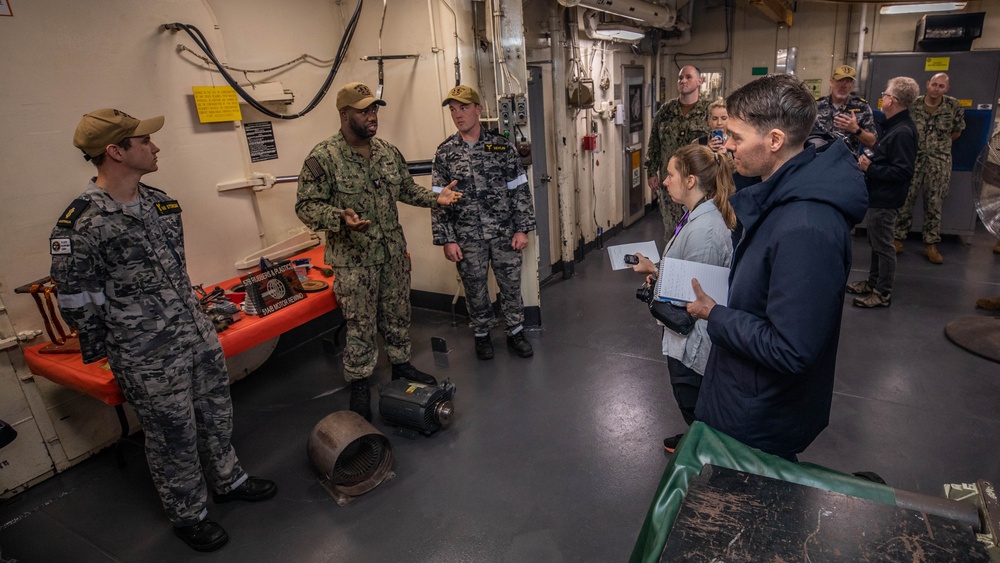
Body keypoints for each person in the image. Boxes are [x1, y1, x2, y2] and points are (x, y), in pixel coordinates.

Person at [50, 108, 276, 552]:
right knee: (173, 435)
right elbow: (78, 305)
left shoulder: (161, 203)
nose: (155, 147)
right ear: (115, 151)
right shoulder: (80, 225)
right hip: (146, 354)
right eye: (144, 142)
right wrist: (126, 342)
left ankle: (229, 480)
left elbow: (173, 270)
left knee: (215, 414)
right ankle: (189, 513)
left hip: (195, 333)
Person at [685, 75, 868, 461]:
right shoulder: (782, 195)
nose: (726, 146)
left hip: (760, 417)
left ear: (774, 141)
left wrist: (714, 314)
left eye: (736, 136)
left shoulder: (806, 226)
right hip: (745, 391)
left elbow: (790, 348)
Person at [295, 83, 462, 421]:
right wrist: (339, 218)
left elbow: (404, 188)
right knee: (360, 324)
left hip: (392, 254)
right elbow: (306, 206)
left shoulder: (387, 151)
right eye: (364, 111)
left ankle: (401, 366)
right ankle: (359, 382)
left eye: (374, 110)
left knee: (398, 313)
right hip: (354, 262)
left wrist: (435, 198)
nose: (372, 117)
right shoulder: (323, 157)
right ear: (344, 114)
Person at [631, 144, 735, 452]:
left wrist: (657, 280)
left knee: (693, 398)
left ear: (690, 181)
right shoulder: (695, 217)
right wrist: (657, 269)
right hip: (688, 335)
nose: (664, 181)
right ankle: (697, 435)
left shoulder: (703, 231)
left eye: (671, 174)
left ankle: (705, 446)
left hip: (694, 338)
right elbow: (690, 274)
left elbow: (694, 297)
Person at [431, 85, 536, 360]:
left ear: (478, 109)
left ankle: (515, 331)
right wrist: (448, 239)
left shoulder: (500, 147)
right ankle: (481, 335)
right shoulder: (445, 153)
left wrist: (523, 228)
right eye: (453, 109)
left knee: (511, 285)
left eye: (463, 108)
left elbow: (519, 189)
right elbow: (438, 200)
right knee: (475, 288)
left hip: (503, 232)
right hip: (467, 237)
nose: (458, 115)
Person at [847, 77, 919, 308]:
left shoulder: (902, 132)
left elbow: (903, 171)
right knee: (877, 243)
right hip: (879, 195)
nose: (883, 97)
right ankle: (873, 282)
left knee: (884, 247)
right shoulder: (894, 127)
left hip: (887, 198)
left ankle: (882, 293)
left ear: (893, 100)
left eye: (885, 94)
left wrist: (871, 168)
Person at [893, 72, 966, 264]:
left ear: (947, 88)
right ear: (927, 84)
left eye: (941, 86)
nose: (936, 89)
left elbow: (957, 131)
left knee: (934, 202)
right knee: (906, 199)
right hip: (914, 159)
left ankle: (930, 244)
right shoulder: (914, 104)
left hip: (939, 161)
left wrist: (938, 146)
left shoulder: (953, 106)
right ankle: (898, 238)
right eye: (934, 84)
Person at [646, 65, 712, 241]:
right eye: (680, 78)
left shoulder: (710, 111)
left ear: (699, 81)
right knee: (672, 232)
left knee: (699, 232)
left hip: (700, 182)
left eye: (688, 77)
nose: (683, 81)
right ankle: (672, 264)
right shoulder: (666, 111)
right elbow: (654, 142)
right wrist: (651, 171)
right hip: (671, 182)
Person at [813, 64, 877, 155]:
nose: (844, 85)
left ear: (852, 85)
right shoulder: (816, 105)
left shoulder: (862, 107)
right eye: (840, 80)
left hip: (848, 162)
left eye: (848, 81)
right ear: (831, 82)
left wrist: (856, 130)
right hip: (819, 159)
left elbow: (873, 142)